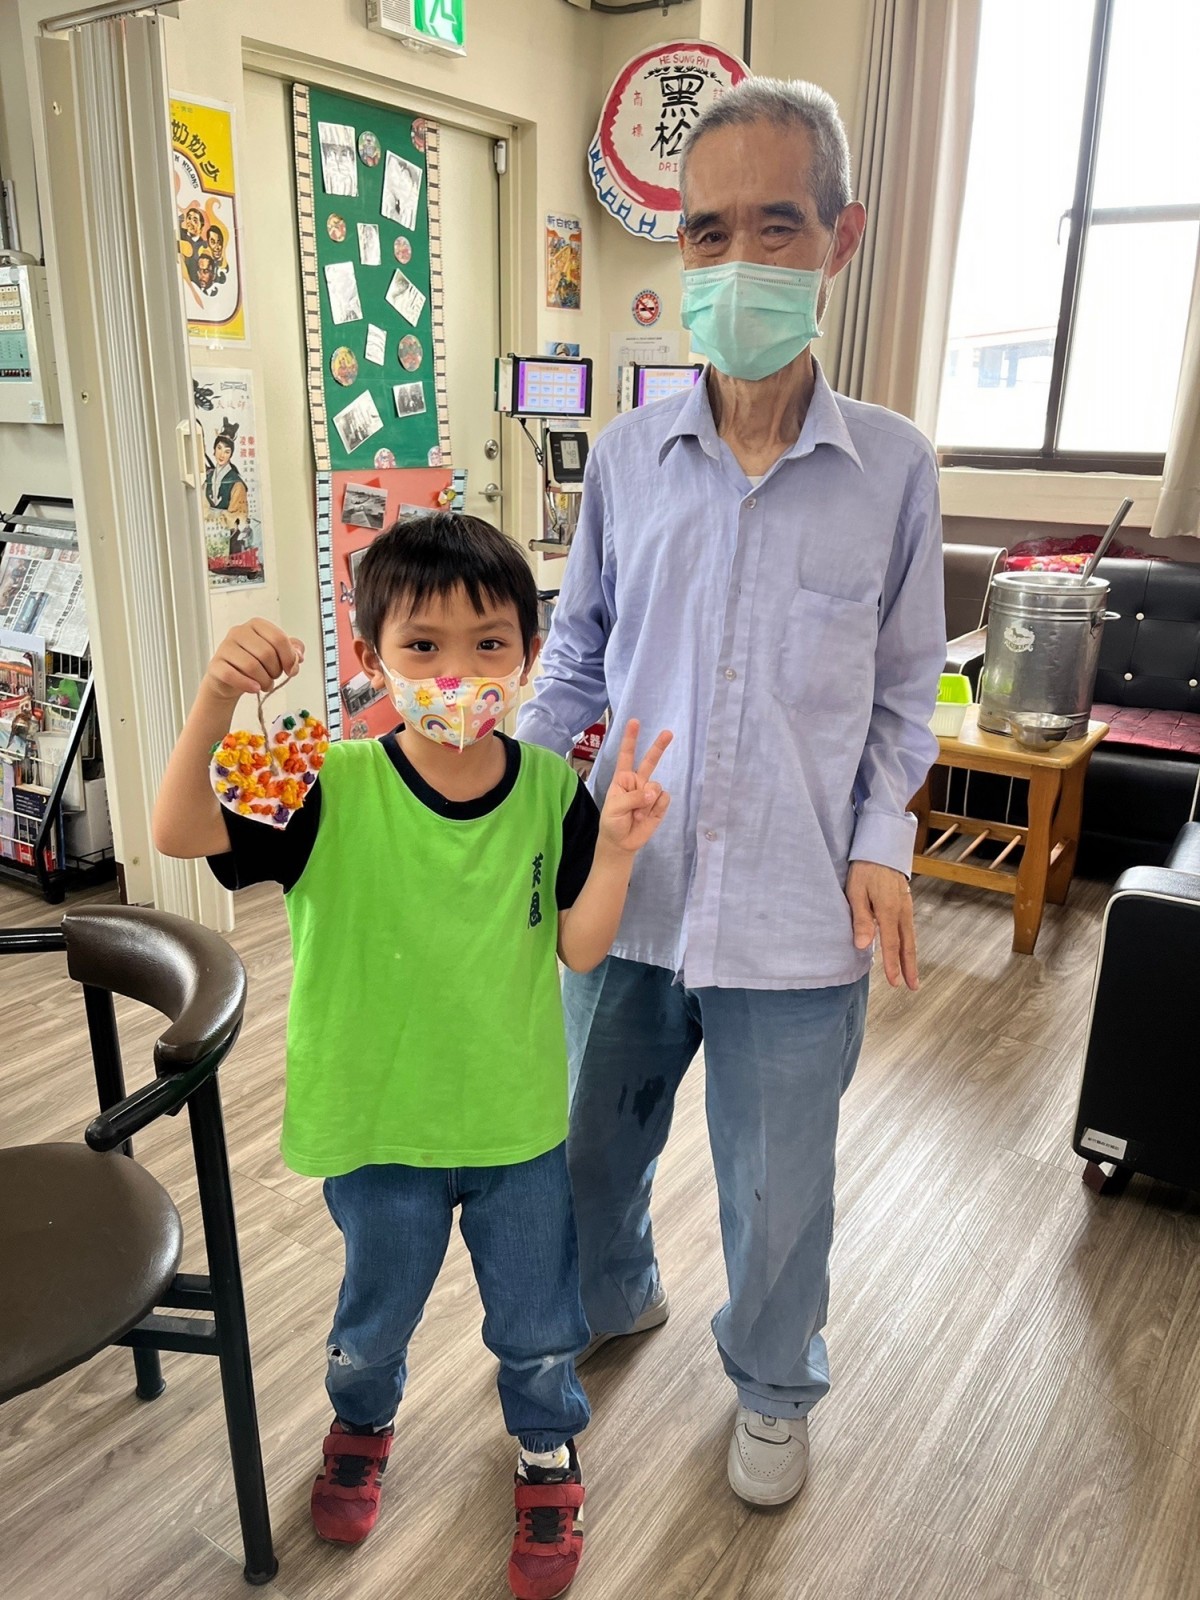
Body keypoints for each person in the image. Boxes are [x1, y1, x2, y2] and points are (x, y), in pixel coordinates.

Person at [517, 77, 946, 1508]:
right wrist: (512, 795)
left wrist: (882, 841)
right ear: (680, 250)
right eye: (708, 233)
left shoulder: (894, 470)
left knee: (778, 1191)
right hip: (625, 891)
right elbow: (577, 653)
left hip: (794, 907)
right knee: (587, 1142)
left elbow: (907, 693)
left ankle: (772, 1384)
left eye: (776, 226)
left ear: (840, 239)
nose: (738, 261)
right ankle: (613, 1291)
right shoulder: (629, 461)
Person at [153, 513, 671, 1599]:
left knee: (539, 1322)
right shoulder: (326, 782)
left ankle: (546, 1447)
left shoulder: (550, 790)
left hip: (516, 1124)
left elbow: (579, 947)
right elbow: (179, 831)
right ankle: (361, 1423)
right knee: (374, 1316)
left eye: (489, 644)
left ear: (529, 652)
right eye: (423, 645)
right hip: (378, 1121)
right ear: (372, 654)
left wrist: (618, 849)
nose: (457, 672)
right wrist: (213, 698)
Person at [204, 424, 249, 522]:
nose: (222, 455)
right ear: (214, 449)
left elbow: (238, 517)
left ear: (231, 455)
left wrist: (211, 515)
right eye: (219, 448)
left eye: (227, 451)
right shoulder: (208, 478)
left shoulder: (237, 484)